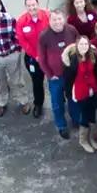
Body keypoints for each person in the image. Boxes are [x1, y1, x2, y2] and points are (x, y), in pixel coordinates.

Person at [38, 10, 79, 139]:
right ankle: (61, 125)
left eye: (59, 19)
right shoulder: (44, 36)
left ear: (64, 19)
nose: (57, 22)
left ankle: (76, 119)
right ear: (49, 21)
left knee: (73, 99)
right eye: (54, 20)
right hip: (55, 77)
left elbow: (79, 48)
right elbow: (42, 59)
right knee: (57, 103)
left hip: (71, 75)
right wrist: (50, 75)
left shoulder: (71, 30)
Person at [13, 0, 50, 117]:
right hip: (33, 58)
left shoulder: (47, 16)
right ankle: (38, 104)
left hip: (49, 56)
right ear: (25, 7)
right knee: (37, 82)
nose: (32, 8)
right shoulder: (21, 21)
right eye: (29, 6)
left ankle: (61, 99)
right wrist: (36, 55)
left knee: (55, 79)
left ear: (38, 4)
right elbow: (22, 41)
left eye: (33, 5)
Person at [63, 35, 97, 152]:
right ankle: (83, 140)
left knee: (92, 114)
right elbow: (68, 78)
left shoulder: (92, 56)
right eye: (81, 44)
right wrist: (69, 94)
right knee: (84, 116)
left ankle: (91, 137)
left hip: (92, 89)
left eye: (85, 44)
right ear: (77, 46)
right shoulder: (73, 59)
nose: (83, 47)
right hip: (80, 91)